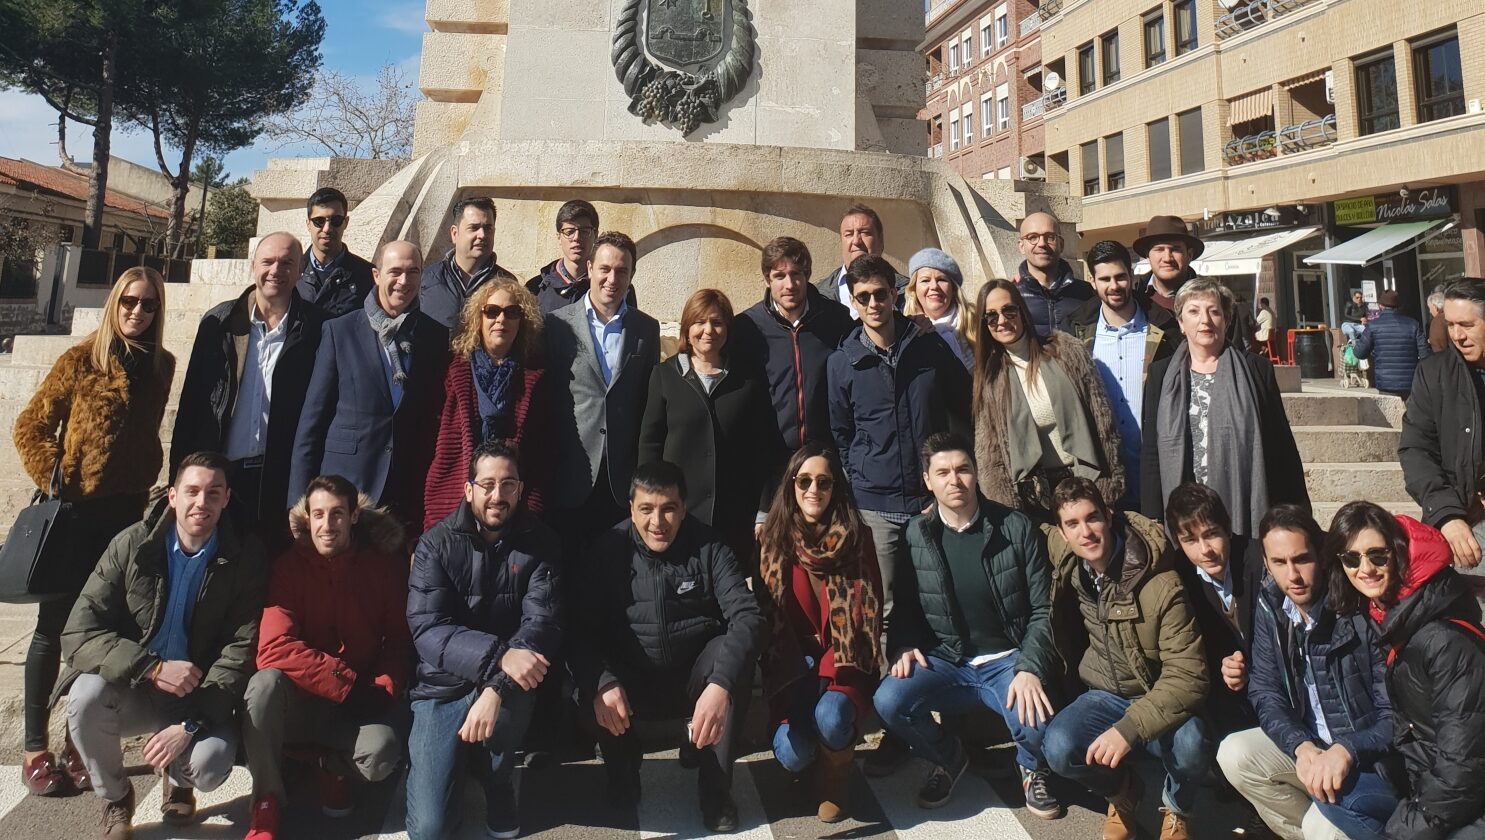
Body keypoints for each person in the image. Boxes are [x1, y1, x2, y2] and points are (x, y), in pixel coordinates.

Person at [12, 266, 175, 798]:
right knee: (54, 627)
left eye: (148, 304)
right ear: (114, 303)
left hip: (126, 518)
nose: (137, 311)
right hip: (76, 513)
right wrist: (55, 475)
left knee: (107, 630)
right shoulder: (82, 360)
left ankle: (76, 742)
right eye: (128, 301)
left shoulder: (161, 366)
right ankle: (34, 746)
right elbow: (29, 426)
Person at [62, 452, 265, 839]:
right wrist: (150, 667)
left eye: (213, 493)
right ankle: (117, 799)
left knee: (212, 762)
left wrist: (189, 726)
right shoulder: (131, 545)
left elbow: (241, 650)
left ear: (226, 499)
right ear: (172, 496)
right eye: (191, 491)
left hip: (199, 695)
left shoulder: (244, 557)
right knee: (85, 696)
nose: (201, 503)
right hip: (135, 685)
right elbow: (78, 632)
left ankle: (179, 780)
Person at [873, 433, 1062, 817]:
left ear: (976, 474)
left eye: (963, 469)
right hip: (947, 662)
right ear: (927, 480)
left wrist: (1030, 666)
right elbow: (905, 605)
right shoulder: (915, 534)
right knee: (888, 701)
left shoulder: (1016, 528)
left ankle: (1030, 766)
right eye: (942, 472)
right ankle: (950, 757)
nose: (954, 480)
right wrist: (903, 642)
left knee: (1039, 725)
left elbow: (1045, 609)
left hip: (1008, 659)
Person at [571, 462, 766, 833]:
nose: (657, 521)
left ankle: (715, 790)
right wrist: (601, 681)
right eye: (646, 509)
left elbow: (748, 617)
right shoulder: (604, 552)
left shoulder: (710, 547)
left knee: (730, 659)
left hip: (694, 681)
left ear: (683, 508)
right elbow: (578, 631)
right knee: (591, 680)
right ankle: (623, 769)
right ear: (631, 508)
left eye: (668, 509)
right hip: (629, 682)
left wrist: (721, 684)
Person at [404, 440, 564, 840]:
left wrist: (494, 688)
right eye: (487, 484)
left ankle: (497, 780)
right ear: (468, 488)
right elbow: (427, 629)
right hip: (441, 686)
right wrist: (498, 656)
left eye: (508, 485)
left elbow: (542, 625)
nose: (498, 496)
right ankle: (452, 766)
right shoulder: (434, 544)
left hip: (507, 686)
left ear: (521, 490)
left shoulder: (541, 542)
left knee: (525, 680)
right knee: (429, 830)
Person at [242, 476, 411, 840]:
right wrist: (343, 684)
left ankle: (327, 764)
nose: (326, 525)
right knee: (263, 685)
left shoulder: (384, 567)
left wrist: (383, 688)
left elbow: (399, 641)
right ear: (306, 519)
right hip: (304, 700)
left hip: (359, 704)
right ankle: (267, 801)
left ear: (354, 516)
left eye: (336, 514)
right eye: (317, 515)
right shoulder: (288, 567)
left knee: (381, 754)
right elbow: (273, 647)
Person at [1217, 504, 1398, 840]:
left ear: (1322, 555)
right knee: (1234, 753)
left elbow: (1395, 714)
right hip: (1314, 747)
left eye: (1302, 559)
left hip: (1370, 760)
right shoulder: (1272, 604)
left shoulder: (1356, 607)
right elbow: (1264, 690)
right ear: (1267, 564)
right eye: (1279, 563)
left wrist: (1347, 749)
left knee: (1322, 828)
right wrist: (1300, 746)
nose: (1293, 576)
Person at [1042, 477, 1210, 840]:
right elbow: (1029, 528)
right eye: (1072, 524)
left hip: (1156, 694)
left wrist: (1128, 729)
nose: (1085, 532)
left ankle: (1178, 809)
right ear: (1062, 531)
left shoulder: (1161, 584)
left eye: (1093, 518)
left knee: (1192, 744)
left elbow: (1189, 675)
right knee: (1057, 747)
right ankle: (1123, 793)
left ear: (1109, 515)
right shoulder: (1070, 558)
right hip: (1102, 694)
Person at [1327, 501, 1485, 839]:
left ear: (1398, 553)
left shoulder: (1442, 639)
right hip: (1427, 783)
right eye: (1351, 559)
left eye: (1377, 555)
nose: (1365, 568)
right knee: (1334, 794)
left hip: (1469, 797)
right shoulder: (1388, 618)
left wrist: (1405, 828)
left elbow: (1463, 767)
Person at [828, 254, 971, 620]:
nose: (873, 304)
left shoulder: (929, 346)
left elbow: (965, 405)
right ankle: (893, 672)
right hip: (875, 505)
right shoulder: (842, 361)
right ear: (853, 301)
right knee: (886, 607)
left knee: (943, 597)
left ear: (894, 294)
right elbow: (841, 431)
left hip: (930, 498)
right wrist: (860, 476)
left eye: (880, 294)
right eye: (863, 297)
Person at [172, 232, 324, 547]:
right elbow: (192, 404)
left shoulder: (317, 329)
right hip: (221, 475)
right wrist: (179, 476)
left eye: (287, 263)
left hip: (278, 478)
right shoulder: (220, 323)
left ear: (300, 270)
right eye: (268, 262)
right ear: (252, 266)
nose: (276, 271)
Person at [290, 240, 451, 534]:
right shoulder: (340, 331)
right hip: (345, 490)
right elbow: (312, 422)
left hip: (405, 493)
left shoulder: (435, 336)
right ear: (376, 275)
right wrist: (298, 501)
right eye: (395, 272)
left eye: (413, 272)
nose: (404, 281)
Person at [757, 443, 881, 823]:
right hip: (792, 665)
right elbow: (765, 621)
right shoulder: (773, 542)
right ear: (790, 486)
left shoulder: (856, 538)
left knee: (831, 716)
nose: (814, 490)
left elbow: (867, 620)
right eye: (804, 480)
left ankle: (834, 778)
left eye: (823, 482)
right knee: (793, 753)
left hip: (843, 662)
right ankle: (810, 762)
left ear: (835, 489)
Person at [1141, 278, 1308, 539]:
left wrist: (1296, 511)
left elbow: (1281, 444)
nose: (1205, 320)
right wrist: (1151, 515)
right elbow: (1151, 448)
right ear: (1181, 323)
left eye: (1214, 311)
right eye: (1194, 311)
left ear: (1227, 320)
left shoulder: (1255, 369)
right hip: (1183, 510)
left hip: (1243, 504)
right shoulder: (1161, 374)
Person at [639, 288, 786, 565]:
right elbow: (650, 446)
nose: (708, 330)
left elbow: (760, 449)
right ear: (687, 328)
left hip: (734, 516)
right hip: (678, 514)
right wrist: (648, 505)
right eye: (699, 322)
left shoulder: (748, 381)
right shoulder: (665, 376)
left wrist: (763, 511)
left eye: (717, 322)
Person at [972, 278, 1124, 522]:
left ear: (1022, 311)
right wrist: (1008, 515)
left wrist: (1108, 492)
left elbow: (1103, 421)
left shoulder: (1065, 351)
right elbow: (990, 455)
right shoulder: (990, 379)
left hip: (1085, 482)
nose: (1001, 321)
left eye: (1008, 310)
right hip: (1035, 498)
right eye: (991, 316)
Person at [544, 231, 660, 545]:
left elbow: (646, 402)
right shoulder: (555, 325)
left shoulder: (646, 330)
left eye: (622, 271)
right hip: (570, 474)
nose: (612, 279)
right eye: (605, 269)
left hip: (621, 480)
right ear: (591, 268)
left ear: (631, 275)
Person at [424, 273, 554, 529]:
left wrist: (532, 512)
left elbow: (543, 453)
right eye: (492, 311)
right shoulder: (450, 370)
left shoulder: (536, 380)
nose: (501, 320)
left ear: (522, 321)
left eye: (512, 312)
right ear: (478, 318)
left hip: (511, 506)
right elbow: (429, 440)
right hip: (453, 502)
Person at [1064, 240, 1178, 509]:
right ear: (1092, 281)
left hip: (1155, 469)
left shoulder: (1163, 330)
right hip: (1101, 475)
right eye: (1105, 279)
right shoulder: (1076, 333)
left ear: (1131, 276)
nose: (1113, 286)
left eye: (1120, 277)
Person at [1398, 278, 1485, 594]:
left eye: (1467, 325)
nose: (1457, 336)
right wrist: (1446, 515)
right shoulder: (1433, 373)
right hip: (1463, 522)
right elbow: (1415, 449)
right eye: (1450, 325)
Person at [730, 236, 853, 450]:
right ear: (767, 280)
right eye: (779, 276)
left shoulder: (836, 320)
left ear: (807, 276)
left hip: (824, 455)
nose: (789, 285)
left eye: (796, 274)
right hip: (769, 459)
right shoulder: (746, 327)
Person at [1165, 482, 1265, 736]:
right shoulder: (1179, 577)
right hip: (1224, 697)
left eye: (1211, 534)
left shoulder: (1259, 559)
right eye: (1190, 540)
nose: (1205, 550)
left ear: (1228, 528)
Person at [525, 199, 638, 315]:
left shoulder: (616, 289)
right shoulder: (535, 289)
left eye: (584, 231)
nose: (577, 238)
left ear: (595, 234)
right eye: (569, 232)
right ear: (559, 237)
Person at [421, 197, 516, 329]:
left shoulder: (508, 283)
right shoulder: (427, 280)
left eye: (488, 228)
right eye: (474, 228)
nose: (482, 235)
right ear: (455, 233)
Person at [294, 187, 376, 318]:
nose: (327, 229)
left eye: (335, 220)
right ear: (308, 224)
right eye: (319, 221)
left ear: (346, 222)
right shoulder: (290, 273)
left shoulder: (368, 276)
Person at [813, 203, 909, 314]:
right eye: (849, 234)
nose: (856, 241)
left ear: (881, 241)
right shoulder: (817, 295)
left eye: (865, 233)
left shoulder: (909, 292)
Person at [1013, 211, 1092, 337]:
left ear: (1061, 244)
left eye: (1050, 237)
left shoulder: (1085, 293)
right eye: (1032, 237)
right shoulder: (1011, 295)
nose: (1042, 243)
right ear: (1021, 246)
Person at [903, 247, 975, 368]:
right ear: (914, 289)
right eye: (925, 280)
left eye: (941, 280)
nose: (934, 287)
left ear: (953, 289)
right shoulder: (905, 330)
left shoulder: (977, 323)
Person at [1352, 289, 1430, 400]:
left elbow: (1359, 353)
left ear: (1380, 306)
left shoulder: (1373, 326)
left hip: (1385, 382)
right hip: (1410, 382)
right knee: (1411, 415)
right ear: (1399, 306)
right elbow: (1425, 355)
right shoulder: (1413, 325)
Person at [1134, 215, 1204, 314]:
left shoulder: (1214, 299)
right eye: (1159, 250)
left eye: (1175, 249)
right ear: (1147, 255)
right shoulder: (1133, 299)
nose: (1167, 258)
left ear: (1189, 255)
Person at [1425, 285, 1448, 354]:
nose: (1429, 311)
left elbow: (1438, 346)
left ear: (1435, 307)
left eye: (1430, 308)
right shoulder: (1450, 316)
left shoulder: (1437, 321)